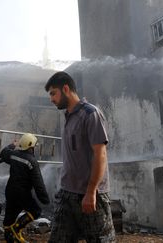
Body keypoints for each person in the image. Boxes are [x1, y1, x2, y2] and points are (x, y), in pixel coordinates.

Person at [45, 71, 115, 242]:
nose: (51, 99)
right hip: (66, 193)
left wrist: (91, 192)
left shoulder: (91, 114)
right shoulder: (68, 117)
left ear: (66, 89)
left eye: (53, 93)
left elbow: (101, 154)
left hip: (91, 196)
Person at [0, 133, 50, 243]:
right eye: (34, 147)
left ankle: (10, 239)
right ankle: (17, 228)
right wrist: (44, 199)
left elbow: (3, 153)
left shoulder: (13, 154)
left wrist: (11, 145)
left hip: (10, 191)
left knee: (9, 217)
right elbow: (38, 183)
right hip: (22, 193)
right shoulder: (32, 161)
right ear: (30, 146)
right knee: (35, 211)